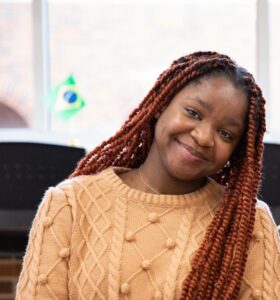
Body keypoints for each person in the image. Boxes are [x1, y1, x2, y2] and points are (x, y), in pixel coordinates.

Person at [16, 51, 280, 300]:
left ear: (236, 151)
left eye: (226, 134)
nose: (203, 137)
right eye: (193, 113)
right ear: (159, 105)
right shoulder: (70, 203)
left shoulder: (250, 222)